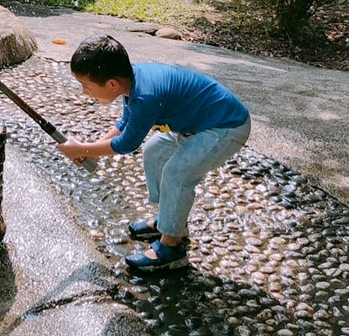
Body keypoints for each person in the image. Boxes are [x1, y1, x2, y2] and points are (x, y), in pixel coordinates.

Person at [57, 34, 251, 272]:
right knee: (155, 151)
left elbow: (127, 143)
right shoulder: (133, 80)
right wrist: (93, 149)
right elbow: (125, 122)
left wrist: (83, 149)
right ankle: (170, 218)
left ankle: (171, 246)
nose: (85, 93)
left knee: (177, 174)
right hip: (198, 123)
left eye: (86, 86)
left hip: (225, 127)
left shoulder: (146, 95)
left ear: (112, 84)